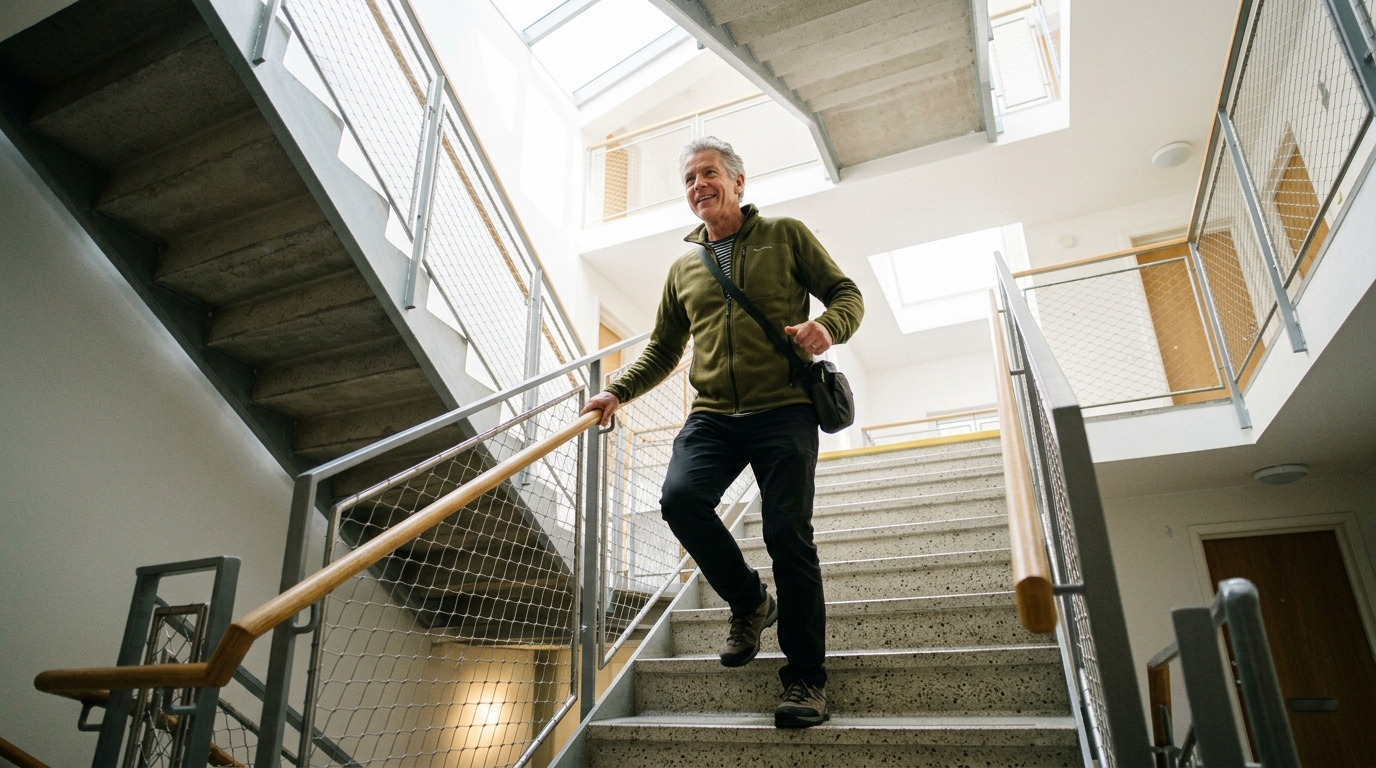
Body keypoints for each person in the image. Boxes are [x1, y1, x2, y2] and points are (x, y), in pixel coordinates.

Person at [581, 136, 864, 728]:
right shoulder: (684, 269)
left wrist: (829, 327)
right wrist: (617, 391)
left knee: (789, 537)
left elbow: (846, 294)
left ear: (737, 180)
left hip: (784, 408)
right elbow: (663, 349)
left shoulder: (785, 235)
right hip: (712, 415)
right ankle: (750, 601)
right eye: (689, 179)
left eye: (708, 173)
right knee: (679, 499)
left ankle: (806, 678)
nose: (698, 186)